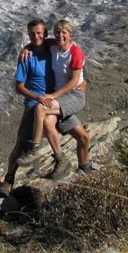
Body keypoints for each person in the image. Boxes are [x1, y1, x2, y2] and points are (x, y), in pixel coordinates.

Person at [16, 19, 91, 180]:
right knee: (75, 133)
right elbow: (37, 41)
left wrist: (52, 96)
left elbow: (74, 81)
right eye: (57, 33)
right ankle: (70, 162)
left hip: (73, 96)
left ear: (71, 35)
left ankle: (34, 148)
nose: (60, 36)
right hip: (60, 97)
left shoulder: (75, 52)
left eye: (64, 33)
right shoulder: (53, 46)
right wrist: (25, 48)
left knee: (41, 108)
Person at [0, 18, 53, 196]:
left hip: (54, 101)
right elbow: (19, 86)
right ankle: (9, 180)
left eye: (39, 33)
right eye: (32, 34)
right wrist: (37, 97)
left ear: (45, 33)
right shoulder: (26, 57)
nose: (36, 36)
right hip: (34, 104)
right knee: (21, 143)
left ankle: (73, 165)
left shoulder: (53, 49)